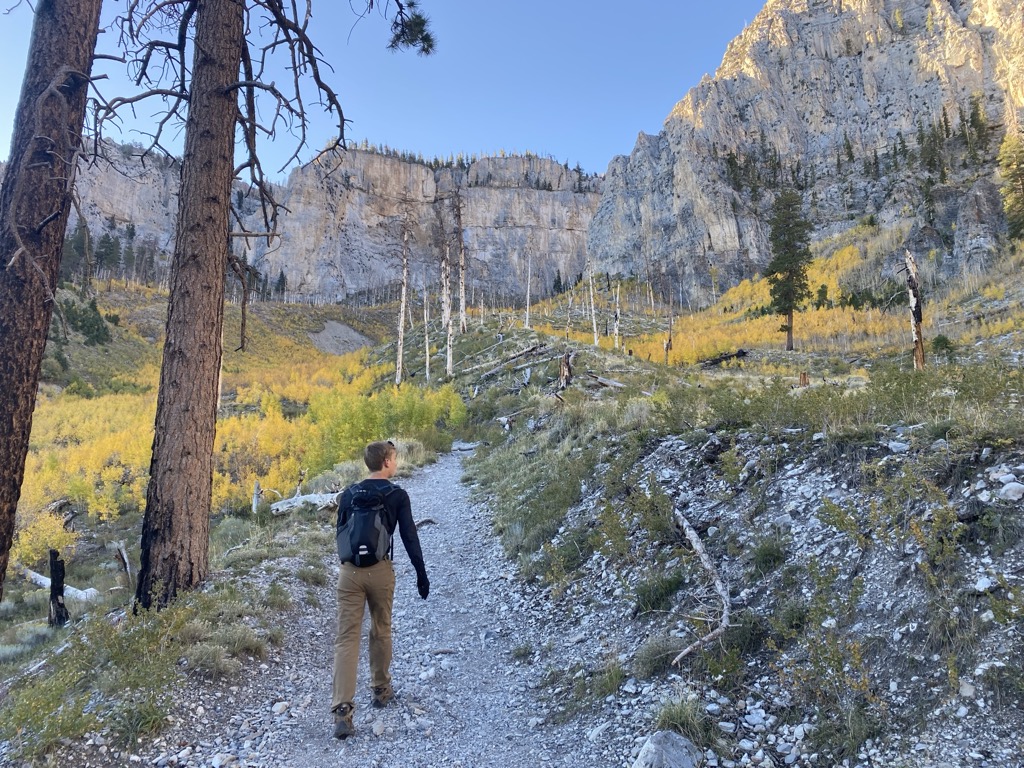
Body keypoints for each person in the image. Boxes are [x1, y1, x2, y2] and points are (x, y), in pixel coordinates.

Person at [331, 440, 430, 740]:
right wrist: (421, 573)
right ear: (386, 461)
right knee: (381, 629)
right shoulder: (396, 494)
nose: (396, 463)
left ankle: (343, 712)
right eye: (395, 458)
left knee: (347, 638)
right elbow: (409, 536)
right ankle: (381, 689)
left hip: (349, 573)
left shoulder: (349, 493)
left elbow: (340, 532)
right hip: (380, 571)